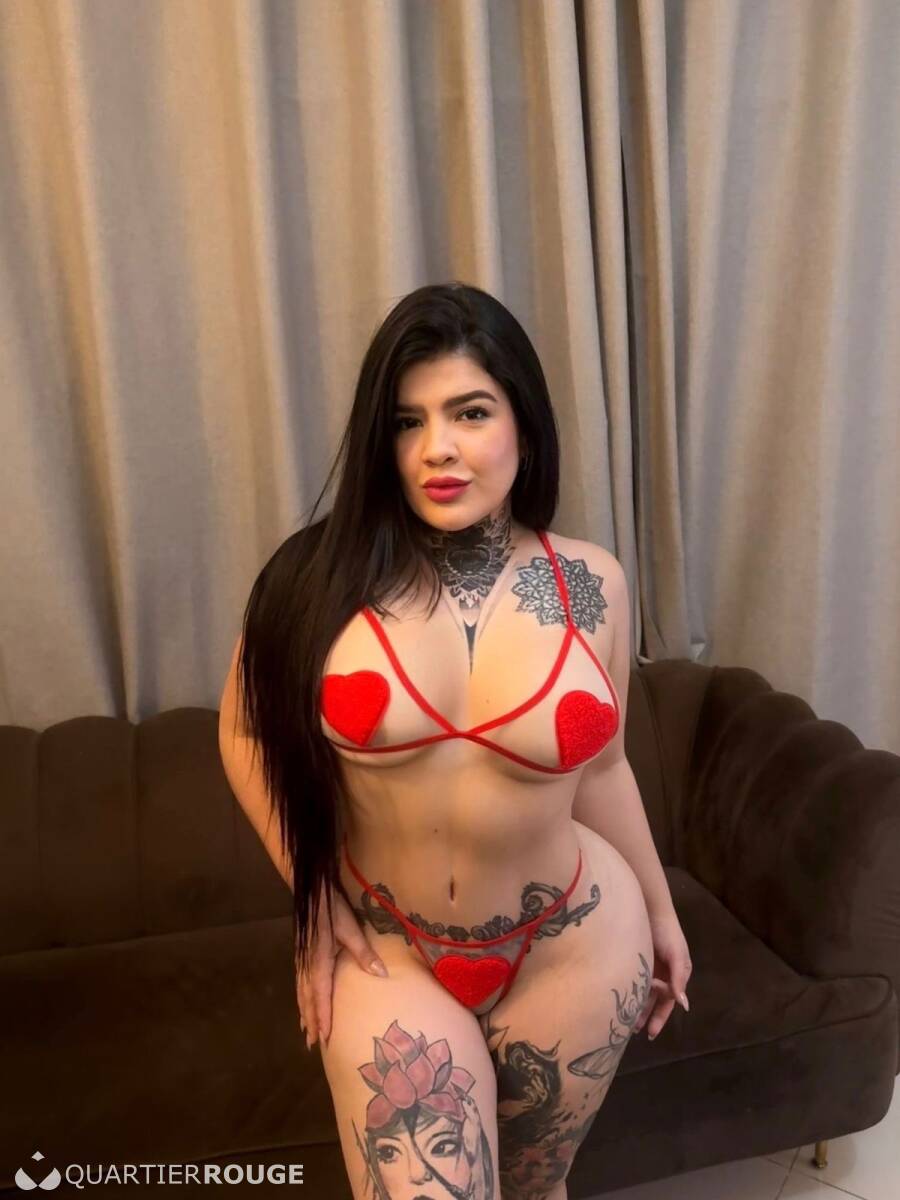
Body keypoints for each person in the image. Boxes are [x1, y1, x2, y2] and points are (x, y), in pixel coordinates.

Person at [218, 283, 690, 1200]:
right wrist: (311, 890)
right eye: (408, 421)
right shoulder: (315, 585)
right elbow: (241, 729)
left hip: (578, 939)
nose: (437, 447)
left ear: (524, 425)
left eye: (471, 412)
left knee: (537, 1188)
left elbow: (604, 765)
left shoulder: (588, 585)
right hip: (388, 948)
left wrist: (664, 914)